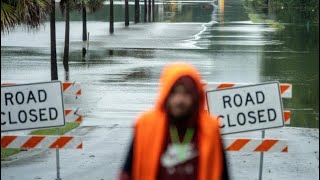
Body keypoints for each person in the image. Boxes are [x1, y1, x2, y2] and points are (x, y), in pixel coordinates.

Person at [118, 62, 229, 180]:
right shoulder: (145, 125)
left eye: (186, 93)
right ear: (166, 94)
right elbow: (127, 173)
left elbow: (223, 175)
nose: (179, 100)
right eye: (174, 93)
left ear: (196, 96)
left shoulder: (211, 128)